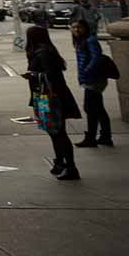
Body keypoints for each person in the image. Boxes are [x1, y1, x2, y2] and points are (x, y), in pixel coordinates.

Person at [26, 25, 82, 179]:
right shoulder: (44, 51)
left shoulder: (43, 53)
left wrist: (32, 75)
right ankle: (60, 162)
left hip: (51, 98)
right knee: (52, 130)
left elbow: (49, 75)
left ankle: (70, 166)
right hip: (45, 97)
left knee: (58, 132)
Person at [72, 20, 114, 148]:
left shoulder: (90, 40)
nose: (76, 30)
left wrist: (86, 71)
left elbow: (96, 57)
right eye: (74, 27)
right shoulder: (81, 41)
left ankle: (91, 137)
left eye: (79, 27)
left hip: (94, 79)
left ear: (85, 28)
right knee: (98, 108)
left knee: (90, 109)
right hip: (90, 79)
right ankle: (105, 136)